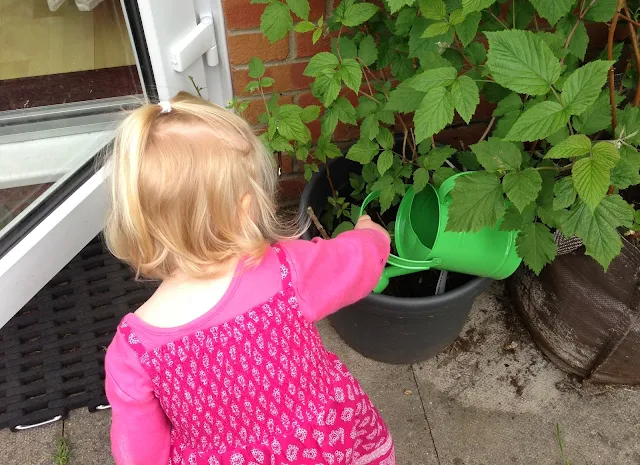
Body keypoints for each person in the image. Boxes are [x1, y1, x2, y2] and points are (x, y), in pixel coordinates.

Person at [103, 92, 394, 465]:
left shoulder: (133, 352)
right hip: (325, 445)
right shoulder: (286, 271)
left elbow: (140, 454)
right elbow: (356, 264)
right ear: (243, 209)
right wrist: (372, 235)